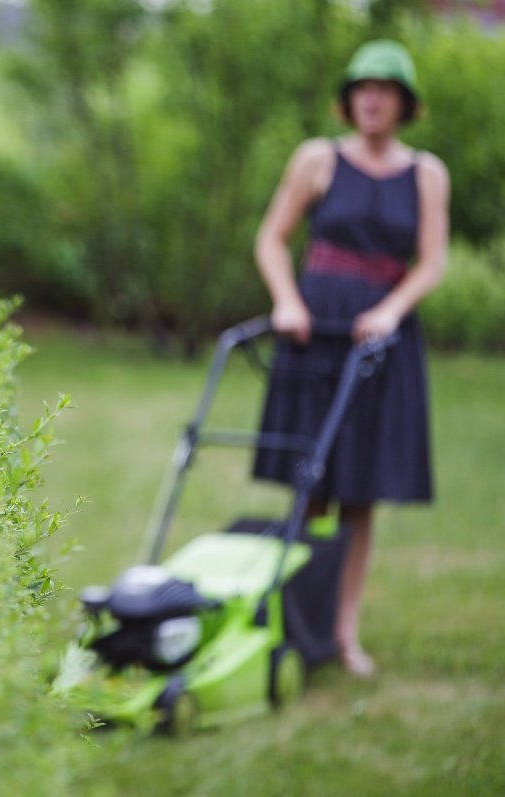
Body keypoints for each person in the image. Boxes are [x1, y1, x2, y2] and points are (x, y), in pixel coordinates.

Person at [252, 40, 449, 677]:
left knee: (361, 491)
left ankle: (343, 633)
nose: (372, 97)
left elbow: (433, 262)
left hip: (380, 340)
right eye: (362, 86)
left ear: (404, 102)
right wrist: (286, 300)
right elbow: (272, 239)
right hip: (316, 327)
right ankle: (293, 622)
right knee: (311, 482)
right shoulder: (317, 159)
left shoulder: (426, 173)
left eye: (385, 88)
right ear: (348, 98)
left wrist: (392, 309)